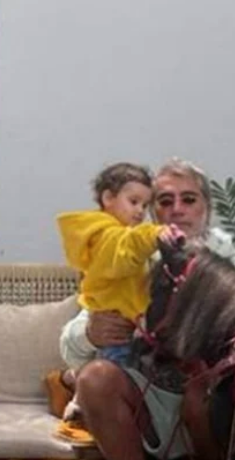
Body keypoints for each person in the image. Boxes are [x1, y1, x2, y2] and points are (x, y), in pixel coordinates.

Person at [47, 158, 235, 460]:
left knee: (204, 390)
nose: (177, 209)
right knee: (94, 378)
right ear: (152, 211)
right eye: (165, 201)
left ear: (206, 207)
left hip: (211, 408)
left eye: (189, 199)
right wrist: (90, 333)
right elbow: (69, 346)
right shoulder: (126, 261)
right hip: (146, 407)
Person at [48, 162, 181, 429]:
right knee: (114, 373)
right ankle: (84, 399)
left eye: (145, 205)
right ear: (108, 198)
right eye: (134, 202)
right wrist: (153, 234)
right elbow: (124, 251)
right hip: (118, 324)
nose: (140, 211)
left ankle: (76, 387)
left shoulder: (124, 237)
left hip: (140, 334)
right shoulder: (106, 235)